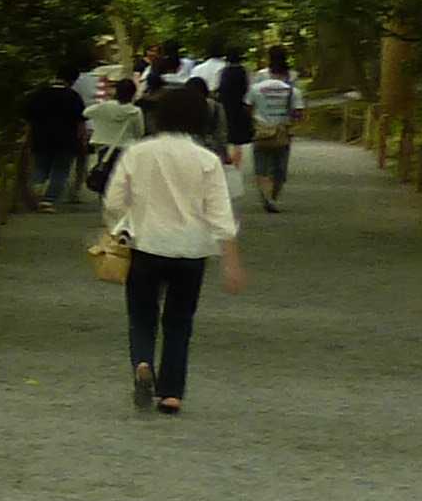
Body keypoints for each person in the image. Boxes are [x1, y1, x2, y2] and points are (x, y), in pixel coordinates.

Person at [103, 82, 244, 417]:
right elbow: (221, 214)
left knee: (141, 314)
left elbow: (113, 201)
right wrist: (232, 261)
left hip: (147, 244)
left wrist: (119, 225)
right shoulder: (207, 159)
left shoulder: (137, 153)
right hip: (192, 250)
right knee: (180, 320)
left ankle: (141, 362)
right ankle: (171, 393)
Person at [23, 70, 92, 210]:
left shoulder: (39, 95)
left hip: (41, 137)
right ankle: (49, 199)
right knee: (61, 170)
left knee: (41, 167)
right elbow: (81, 122)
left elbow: (30, 120)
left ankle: (36, 193)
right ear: (72, 81)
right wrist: (83, 139)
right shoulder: (73, 97)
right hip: (66, 140)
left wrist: (29, 138)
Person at [246, 46, 305, 210]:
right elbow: (298, 110)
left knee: (262, 166)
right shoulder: (292, 81)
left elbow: (250, 104)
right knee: (280, 166)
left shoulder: (259, 79)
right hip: (282, 129)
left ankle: (266, 196)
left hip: (262, 128)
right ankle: (274, 197)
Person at [85, 73, 146, 194]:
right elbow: (140, 132)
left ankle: (104, 200)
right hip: (125, 147)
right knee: (121, 177)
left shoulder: (104, 106)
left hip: (104, 147)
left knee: (105, 176)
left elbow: (86, 113)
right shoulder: (135, 111)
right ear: (133, 93)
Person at [215, 50, 257, 167]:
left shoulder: (224, 72)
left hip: (226, 104)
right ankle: (236, 160)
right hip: (240, 104)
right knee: (238, 137)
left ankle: (226, 157)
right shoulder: (244, 71)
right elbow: (248, 88)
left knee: (226, 131)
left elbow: (220, 88)